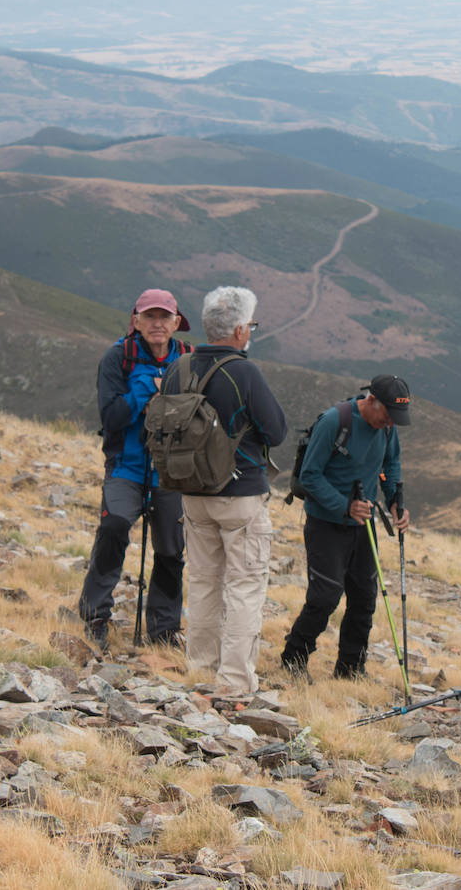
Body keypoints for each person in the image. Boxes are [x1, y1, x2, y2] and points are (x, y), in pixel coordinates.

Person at [179, 286, 288, 694]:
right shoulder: (243, 372)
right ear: (240, 329)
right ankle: (236, 680)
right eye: (251, 325)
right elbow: (276, 431)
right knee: (244, 585)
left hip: (191, 491)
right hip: (239, 493)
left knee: (203, 580)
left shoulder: (179, 367)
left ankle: (201, 669)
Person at [77, 289, 191, 650]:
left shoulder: (189, 359)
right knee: (113, 526)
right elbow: (111, 417)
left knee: (172, 550)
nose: (157, 324)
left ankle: (164, 628)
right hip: (126, 465)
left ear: (176, 323)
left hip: (172, 471)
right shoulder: (118, 358)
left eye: (164, 317)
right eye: (149, 317)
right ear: (136, 321)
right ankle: (95, 614)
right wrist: (145, 388)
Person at [280, 375, 412, 679]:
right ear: (372, 401)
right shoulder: (335, 421)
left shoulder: (387, 427)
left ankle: (350, 668)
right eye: (388, 414)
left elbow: (390, 464)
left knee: (364, 597)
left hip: (362, 524)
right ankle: (294, 657)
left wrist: (394, 502)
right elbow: (310, 476)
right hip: (326, 523)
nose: (391, 423)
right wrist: (344, 506)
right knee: (325, 597)